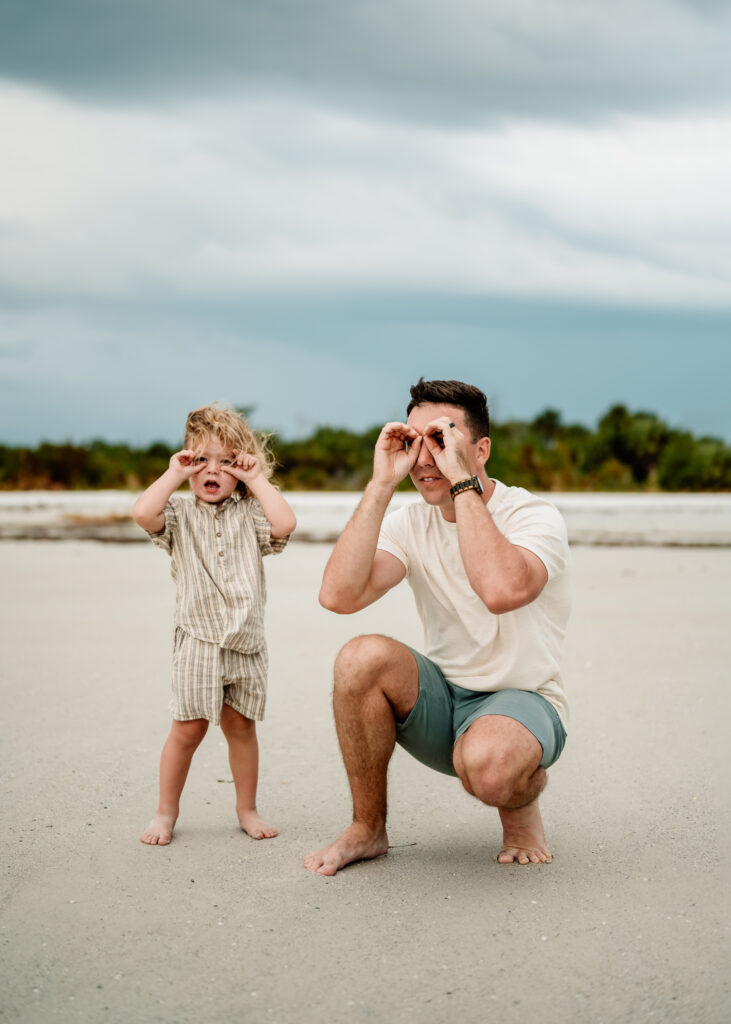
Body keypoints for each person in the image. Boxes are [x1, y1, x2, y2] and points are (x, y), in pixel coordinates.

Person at [305, 378, 571, 876]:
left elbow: (500, 591)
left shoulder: (533, 515)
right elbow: (338, 596)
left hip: (524, 701)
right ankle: (367, 829)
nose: (426, 457)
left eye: (441, 439)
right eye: (415, 441)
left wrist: (462, 482)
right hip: (443, 702)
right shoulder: (410, 522)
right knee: (358, 658)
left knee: (491, 769)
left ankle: (520, 808)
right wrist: (382, 483)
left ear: (481, 449)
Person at [134, 403, 296, 846]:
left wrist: (256, 479)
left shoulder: (251, 515)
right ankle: (165, 812)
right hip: (198, 641)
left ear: (241, 469)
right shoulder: (181, 516)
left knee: (241, 727)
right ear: (187, 463)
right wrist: (172, 475)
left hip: (246, 643)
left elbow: (286, 523)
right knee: (188, 729)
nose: (213, 470)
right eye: (201, 459)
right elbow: (143, 513)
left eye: (226, 462)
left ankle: (247, 808)